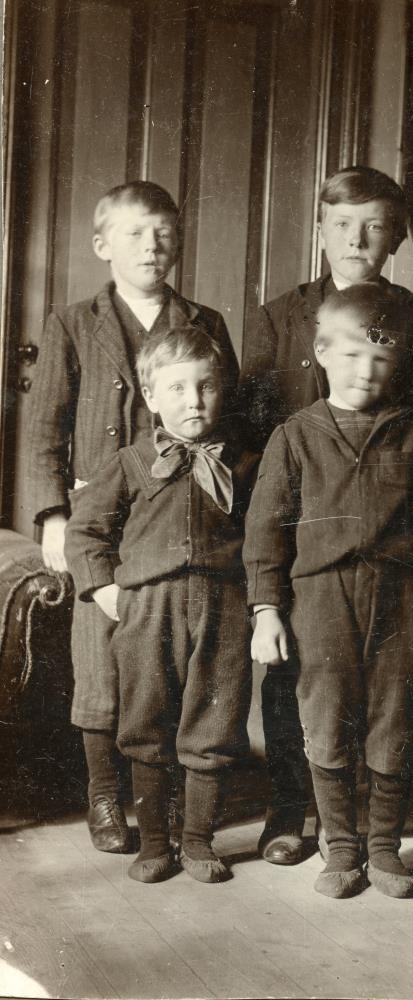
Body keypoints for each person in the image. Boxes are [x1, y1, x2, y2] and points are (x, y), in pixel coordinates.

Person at [239, 164, 413, 866]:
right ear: (321, 229)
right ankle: (288, 811)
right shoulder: (279, 315)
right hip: (305, 538)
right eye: (342, 224)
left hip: (389, 535)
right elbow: (252, 435)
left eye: (374, 226)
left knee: (386, 692)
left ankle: (368, 830)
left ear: (395, 237)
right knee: (294, 682)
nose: (357, 239)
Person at [28, 181, 240, 854]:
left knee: (171, 662)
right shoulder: (72, 322)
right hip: (99, 511)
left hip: (177, 516)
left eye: (163, 234)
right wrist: (53, 515)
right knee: (99, 655)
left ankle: (166, 796)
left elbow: (228, 415)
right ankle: (102, 794)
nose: (151, 247)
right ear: (103, 245)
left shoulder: (205, 321)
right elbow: (45, 428)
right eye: (135, 234)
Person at [65, 327, 256, 883]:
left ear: (222, 389)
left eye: (206, 386)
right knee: (146, 723)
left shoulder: (246, 463)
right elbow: (85, 532)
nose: (193, 401)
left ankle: (197, 842)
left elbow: (270, 536)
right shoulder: (130, 462)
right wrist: (105, 590)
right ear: (150, 396)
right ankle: (153, 844)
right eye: (176, 388)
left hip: (224, 608)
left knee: (214, 724)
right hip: (149, 611)